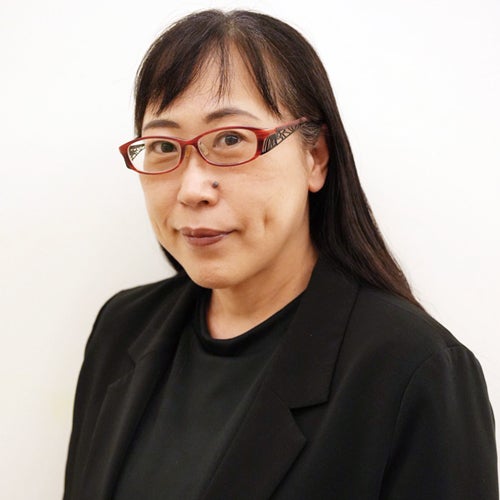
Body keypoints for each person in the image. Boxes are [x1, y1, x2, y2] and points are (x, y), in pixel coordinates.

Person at [63, 9, 498, 500]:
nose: (192, 189)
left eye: (231, 139)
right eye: (164, 146)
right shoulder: (122, 328)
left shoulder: (414, 369)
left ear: (315, 157)